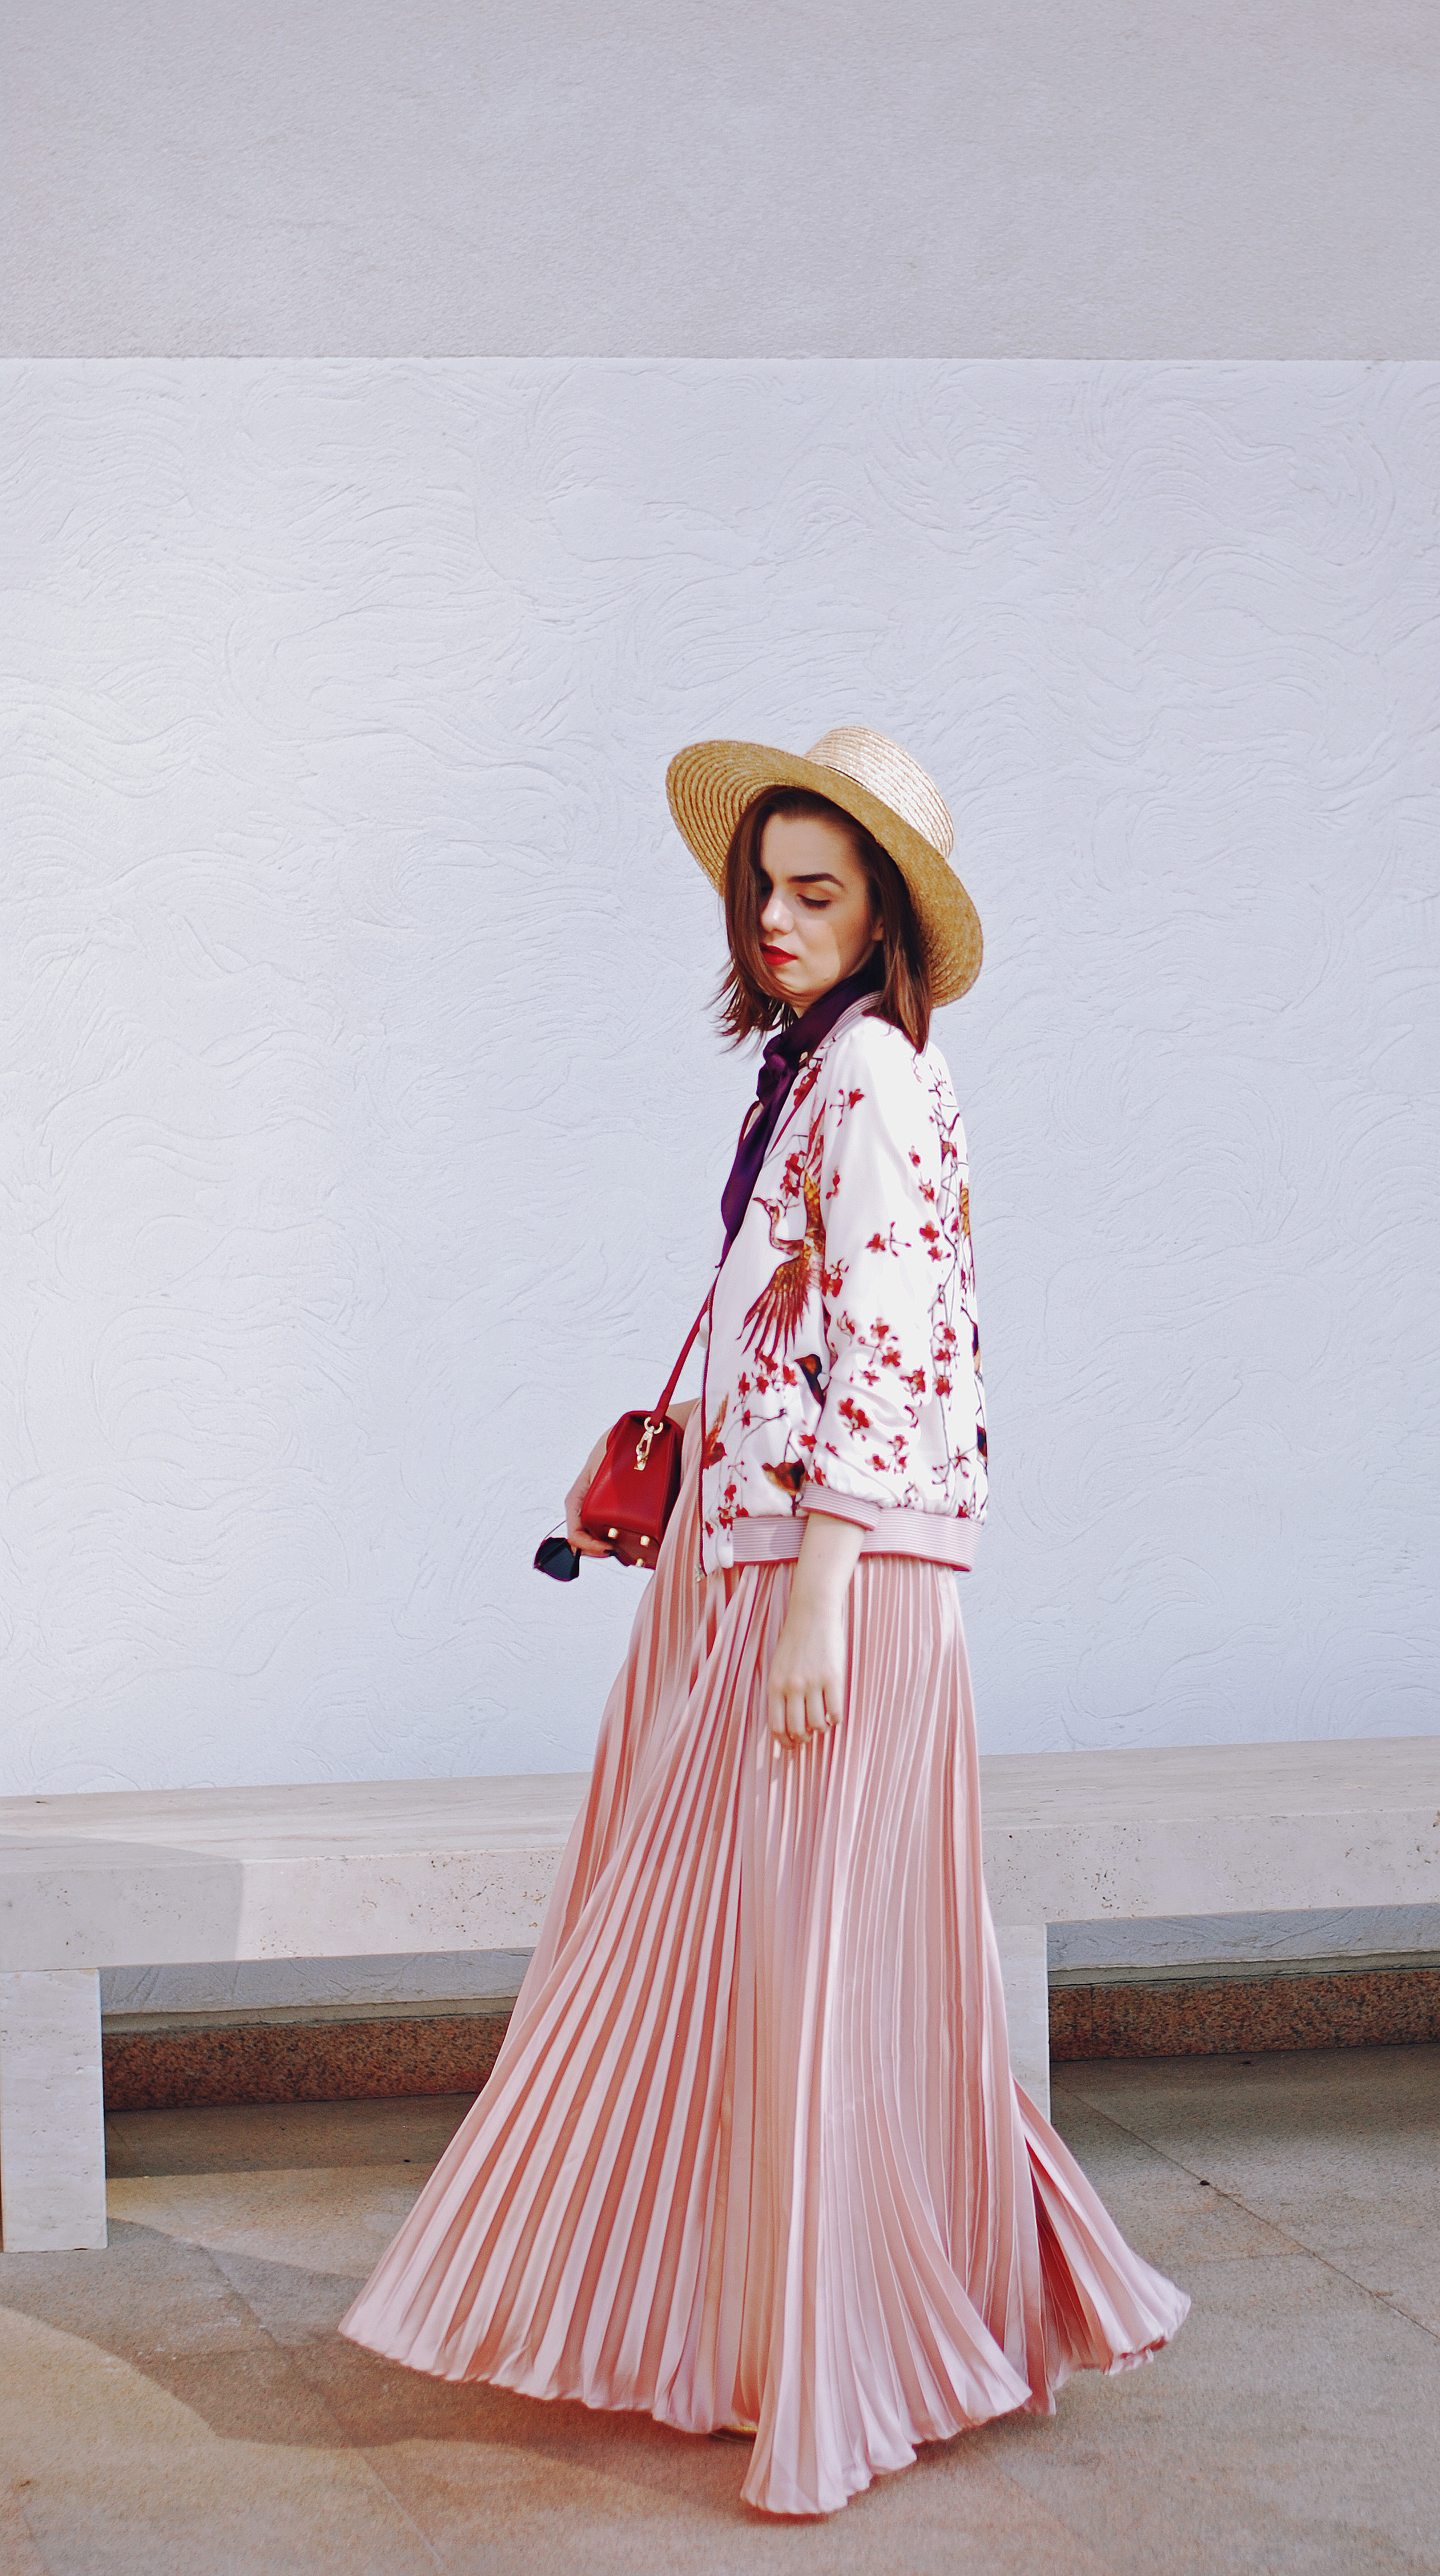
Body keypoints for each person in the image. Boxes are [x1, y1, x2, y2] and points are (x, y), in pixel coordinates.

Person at [340, 726, 1189, 2517]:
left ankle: (855, 2345)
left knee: (807, 1969)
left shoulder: (873, 1078)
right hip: (773, 1567)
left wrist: (810, 1599)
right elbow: (787, 1334)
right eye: (765, 890)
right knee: (772, 1970)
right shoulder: (807, 1081)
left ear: (883, 918)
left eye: (819, 893)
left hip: (838, 1586)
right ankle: (793, 2334)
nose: (779, 921)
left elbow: (891, 1348)